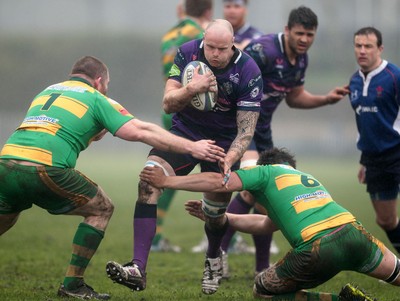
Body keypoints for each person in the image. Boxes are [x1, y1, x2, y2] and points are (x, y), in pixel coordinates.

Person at [0, 55, 226, 300]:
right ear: (99, 81)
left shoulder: (48, 91)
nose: (106, 89)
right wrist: (192, 148)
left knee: (7, 217)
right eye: (106, 85)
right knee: (101, 208)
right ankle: (73, 285)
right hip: (45, 167)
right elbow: (141, 130)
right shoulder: (97, 98)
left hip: (6, 163)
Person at [106, 19, 263, 295]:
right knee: (147, 183)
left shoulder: (249, 71)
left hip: (224, 144)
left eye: (222, 49)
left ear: (233, 44)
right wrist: (192, 88)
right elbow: (168, 103)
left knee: (214, 215)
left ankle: (213, 256)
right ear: (203, 39)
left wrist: (231, 157)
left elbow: (246, 129)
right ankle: (137, 268)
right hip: (184, 134)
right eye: (210, 47)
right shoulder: (187, 52)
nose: (215, 54)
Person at [140, 147, 398, 301]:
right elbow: (266, 224)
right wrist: (225, 218)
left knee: (262, 290)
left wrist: (167, 182)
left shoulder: (266, 172)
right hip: (354, 232)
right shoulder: (305, 178)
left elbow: (219, 181)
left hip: (318, 246)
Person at [215, 5, 350, 279]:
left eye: (310, 35)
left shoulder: (300, 60)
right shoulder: (263, 51)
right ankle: (218, 255)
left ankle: (260, 267)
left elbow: (294, 97)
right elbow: (230, 77)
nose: (304, 40)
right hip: (238, 129)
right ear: (287, 30)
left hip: (262, 132)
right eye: (299, 33)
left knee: (268, 197)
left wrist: (325, 98)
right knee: (252, 188)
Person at [191, 0, 267, 256]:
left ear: (246, 8)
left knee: (253, 183)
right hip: (219, 127)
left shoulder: (257, 40)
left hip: (250, 121)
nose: (232, 9)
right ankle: (222, 240)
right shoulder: (207, 39)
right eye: (228, 5)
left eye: (238, 5)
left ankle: (246, 248)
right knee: (243, 183)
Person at [155, 0, 213, 253]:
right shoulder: (202, 35)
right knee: (216, 170)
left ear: (183, 9)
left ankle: (155, 236)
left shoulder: (169, 35)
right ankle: (226, 237)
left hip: (171, 106)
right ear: (209, 12)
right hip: (196, 111)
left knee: (167, 173)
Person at [348, 26, 400, 255]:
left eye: (368, 46)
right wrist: (364, 160)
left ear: (380, 48)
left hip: (397, 151)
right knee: (386, 220)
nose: (362, 50)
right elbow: (364, 124)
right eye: (358, 45)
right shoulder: (354, 82)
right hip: (374, 159)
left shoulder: (394, 77)